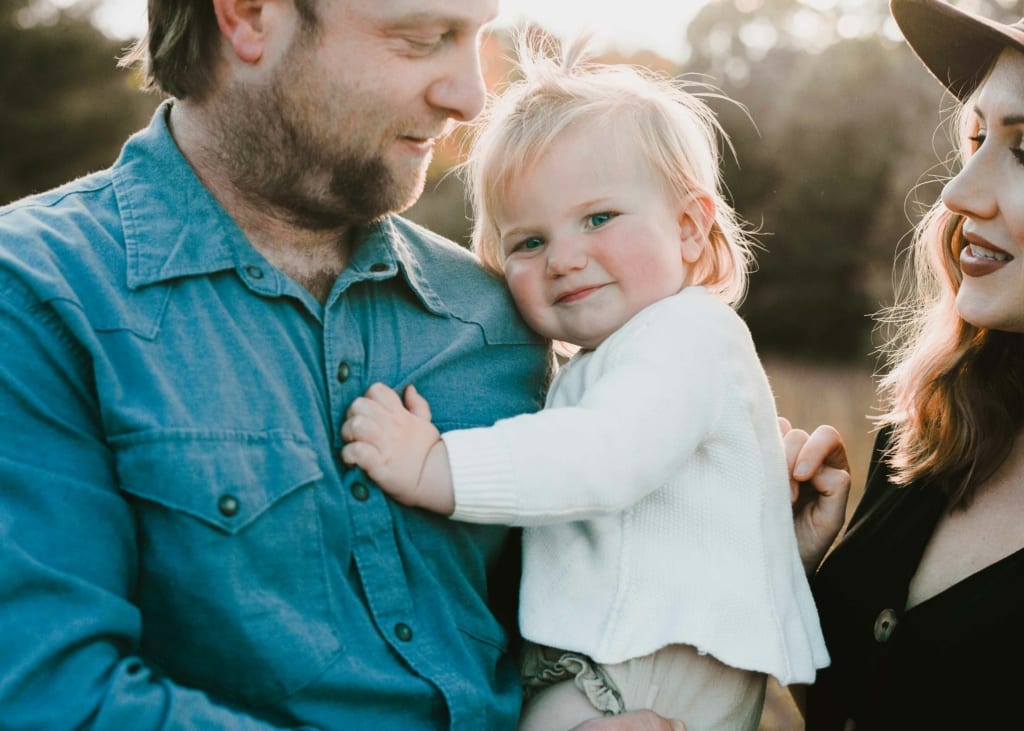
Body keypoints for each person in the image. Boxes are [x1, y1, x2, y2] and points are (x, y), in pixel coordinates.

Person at [0, 0, 687, 728]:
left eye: (477, 40)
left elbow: (560, 614)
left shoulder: (496, 315)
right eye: (424, 39)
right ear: (250, 16)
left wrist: (732, 520)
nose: (470, 95)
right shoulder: (38, 296)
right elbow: (52, 697)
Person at [340, 38, 830, 731]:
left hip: (651, 669)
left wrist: (437, 466)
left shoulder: (689, 334)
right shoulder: (617, 355)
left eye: (599, 218)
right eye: (528, 242)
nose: (566, 258)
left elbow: (601, 454)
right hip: (617, 662)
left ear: (690, 228)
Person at [798, 0, 1024, 728]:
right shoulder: (936, 422)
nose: (957, 193)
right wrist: (799, 572)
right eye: (976, 137)